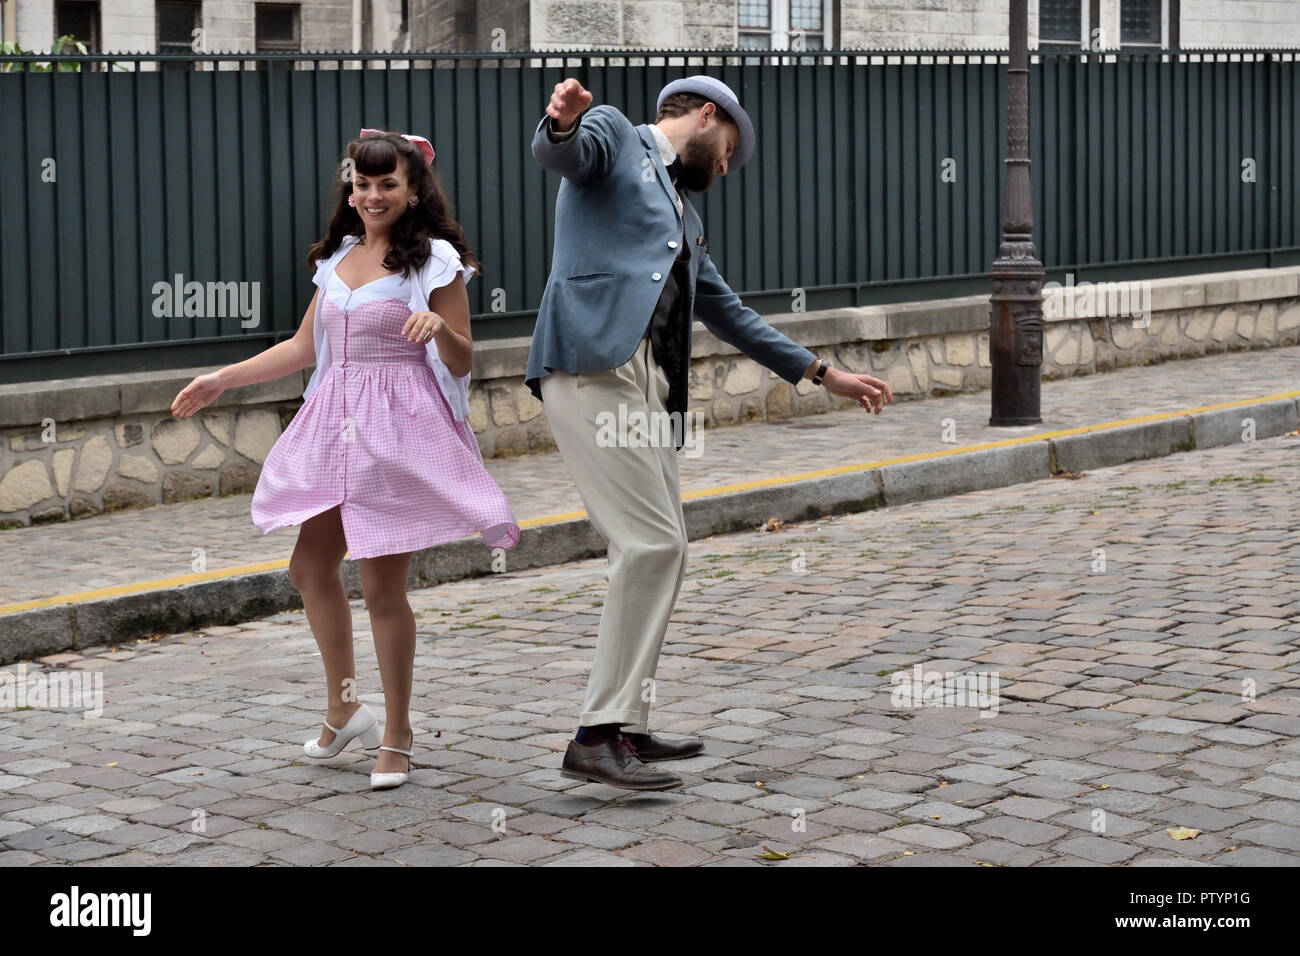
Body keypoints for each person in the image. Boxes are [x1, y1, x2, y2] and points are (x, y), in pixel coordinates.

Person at [527, 76, 892, 791]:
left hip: (649, 384)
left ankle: (625, 724)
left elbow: (728, 312)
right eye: (727, 150)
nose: (725, 166)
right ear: (705, 116)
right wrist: (562, 123)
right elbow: (562, 155)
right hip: (591, 361)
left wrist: (822, 373)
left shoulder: (686, 219)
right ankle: (594, 736)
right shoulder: (614, 137)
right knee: (650, 542)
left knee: (669, 546)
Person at [170, 129, 519, 791]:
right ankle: (344, 707)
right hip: (335, 428)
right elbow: (303, 347)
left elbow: (466, 357)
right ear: (350, 188)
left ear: (413, 190)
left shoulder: (434, 262)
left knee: (384, 590)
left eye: (387, 184)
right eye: (362, 183)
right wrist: (223, 378)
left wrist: (440, 329)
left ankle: (398, 733)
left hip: (396, 434)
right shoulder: (339, 260)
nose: (372, 195)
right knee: (309, 567)